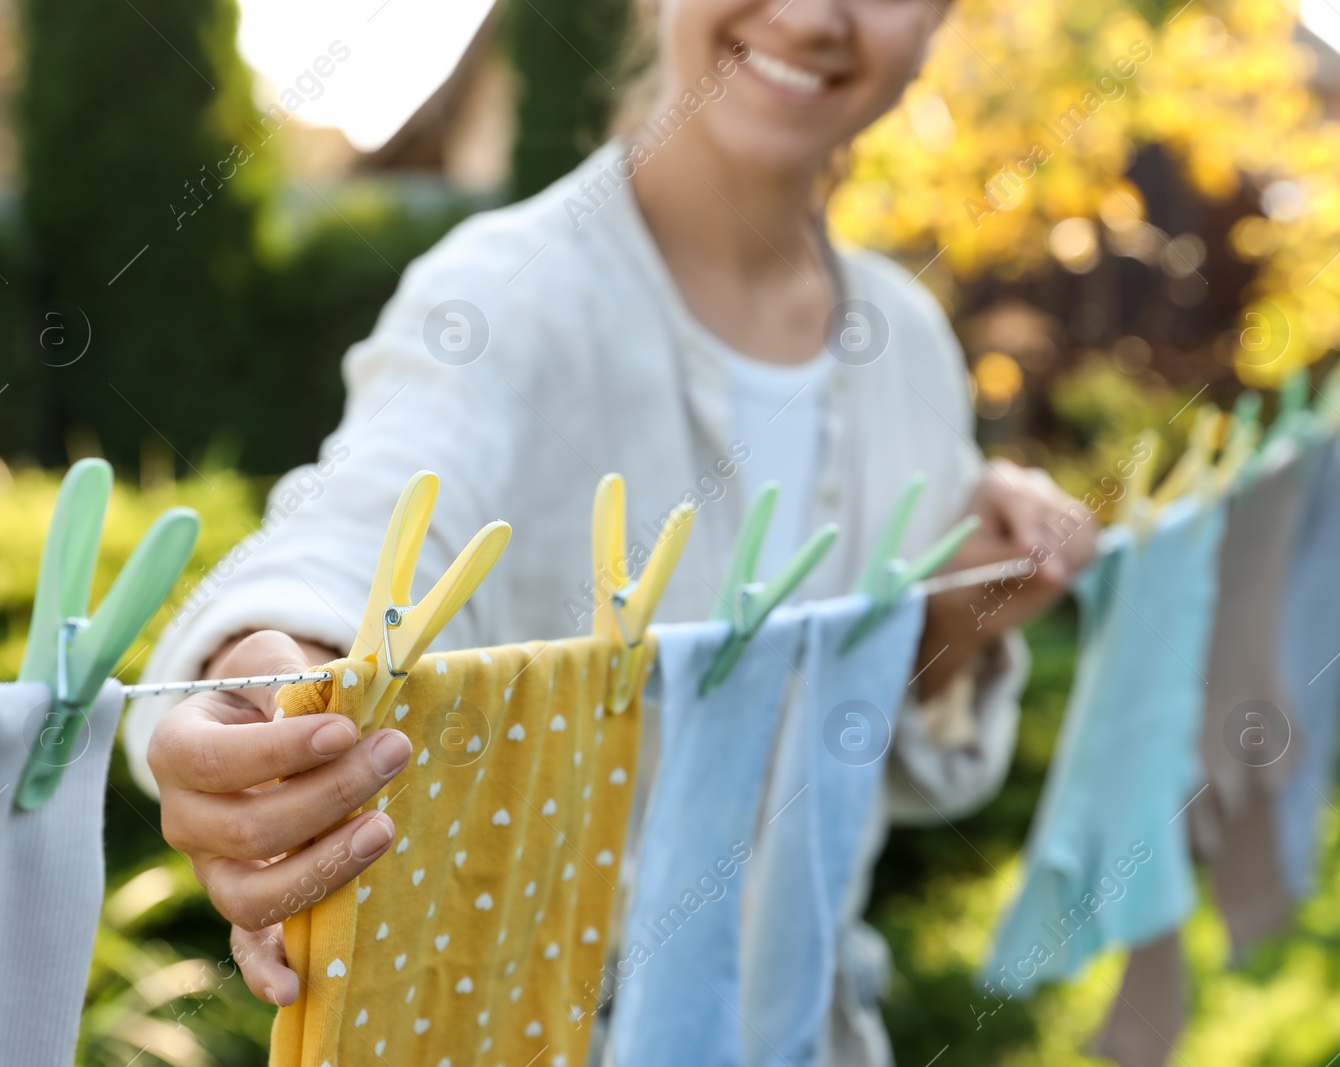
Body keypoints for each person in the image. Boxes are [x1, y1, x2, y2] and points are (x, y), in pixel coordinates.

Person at [127, 0, 1099, 1061]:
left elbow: (888, 763)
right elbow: (362, 516)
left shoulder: (905, 340)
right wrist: (266, 675)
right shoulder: (502, 293)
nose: (816, 15)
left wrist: (957, 614)